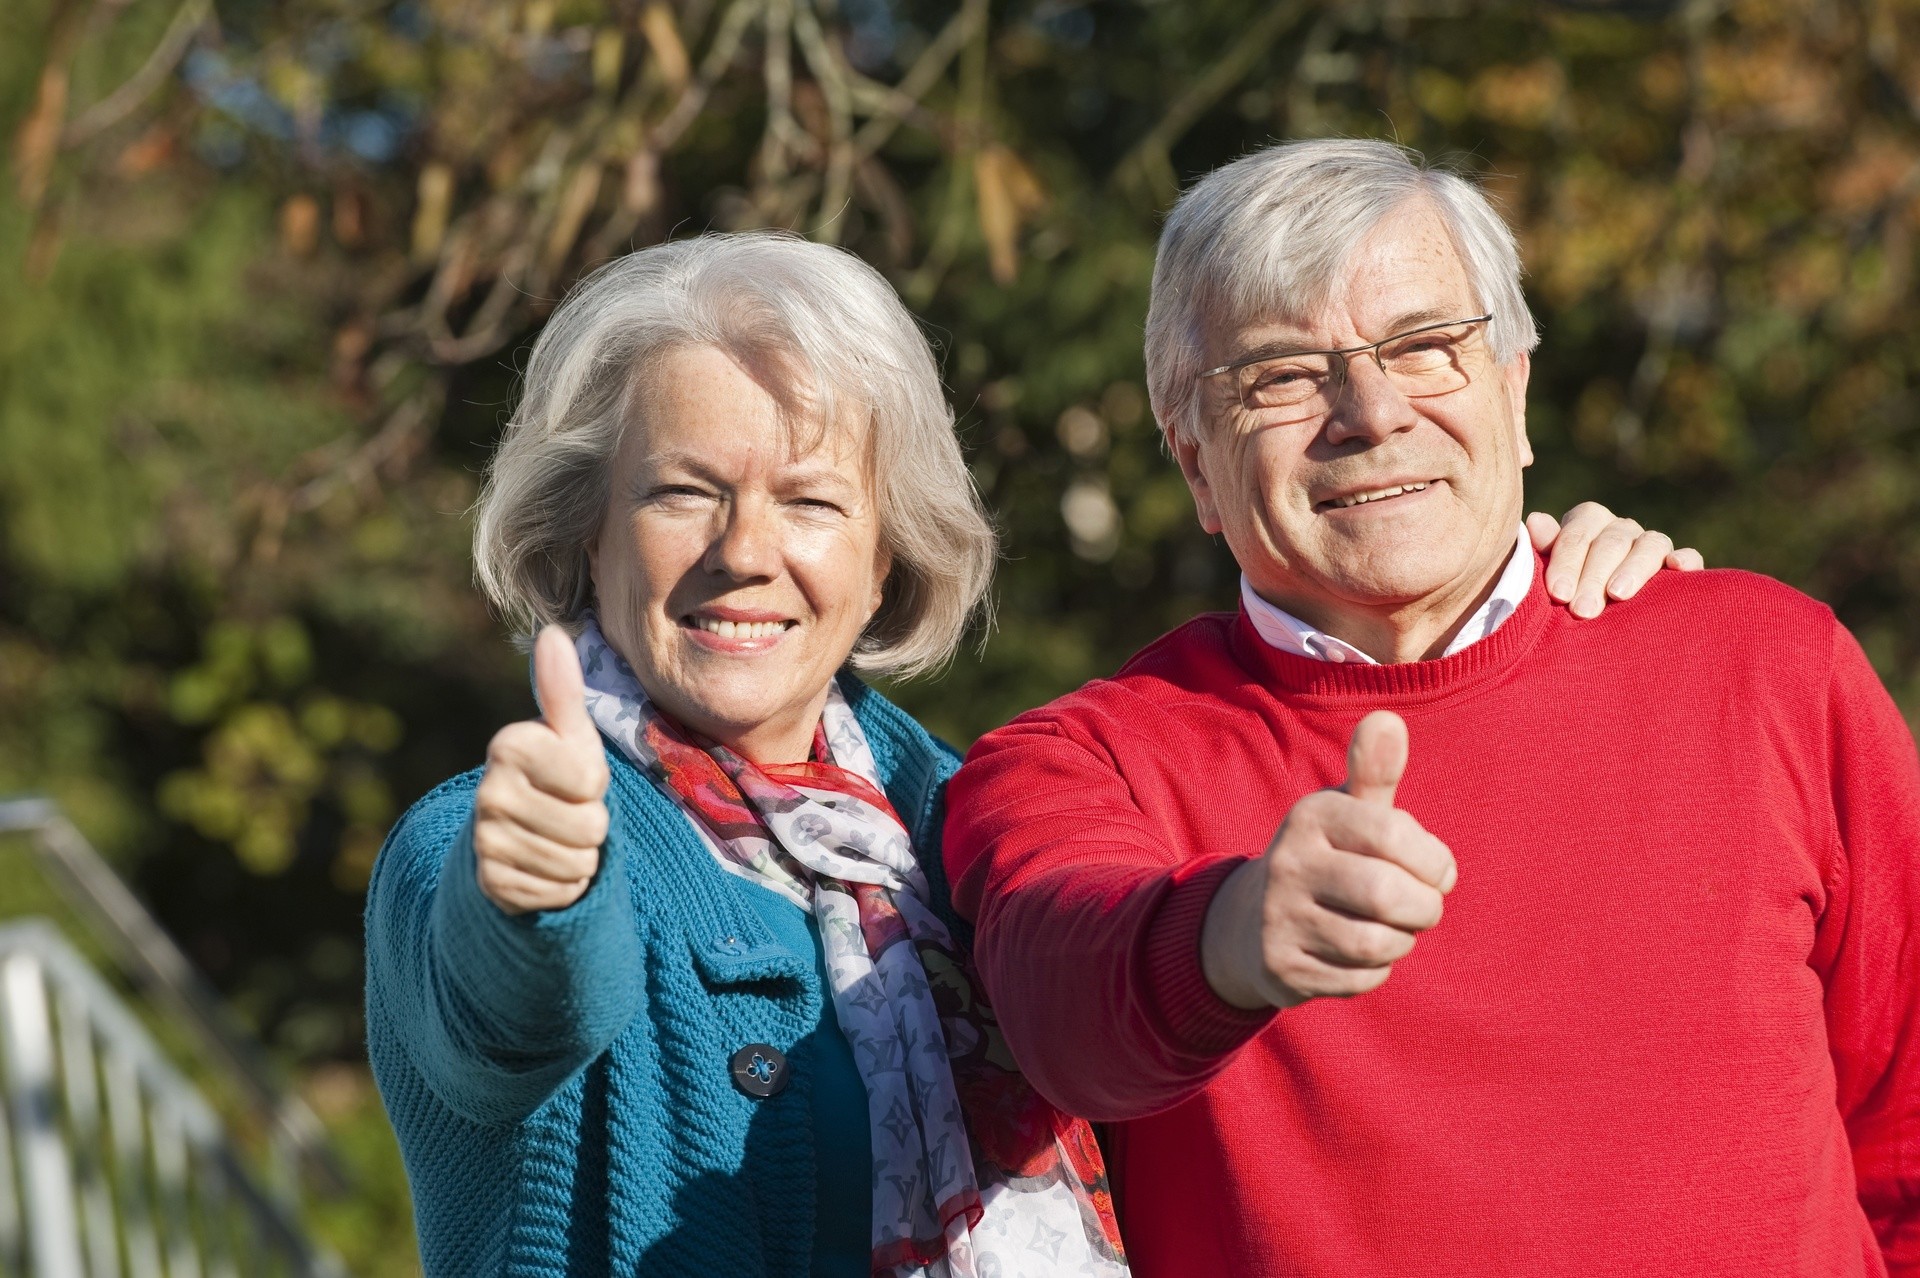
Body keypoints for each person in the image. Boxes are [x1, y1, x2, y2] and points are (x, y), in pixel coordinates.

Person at [364, 230, 1694, 1278]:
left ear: (886, 551)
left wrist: (1529, 586)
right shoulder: (484, 836)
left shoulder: (971, 816)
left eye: (812, 500)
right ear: (583, 529)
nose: (744, 550)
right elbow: (510, 1011)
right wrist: (538, 893)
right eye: (682, 492)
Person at [943, 139, 1920, 1278]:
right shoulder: (1080, 760)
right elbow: (1063, 1016)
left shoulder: (1770, 665)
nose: (1371, 410)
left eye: (1426, 347)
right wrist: (1233, 936)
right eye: (1282, 375)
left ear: (1513, 390)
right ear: (1194, 461)